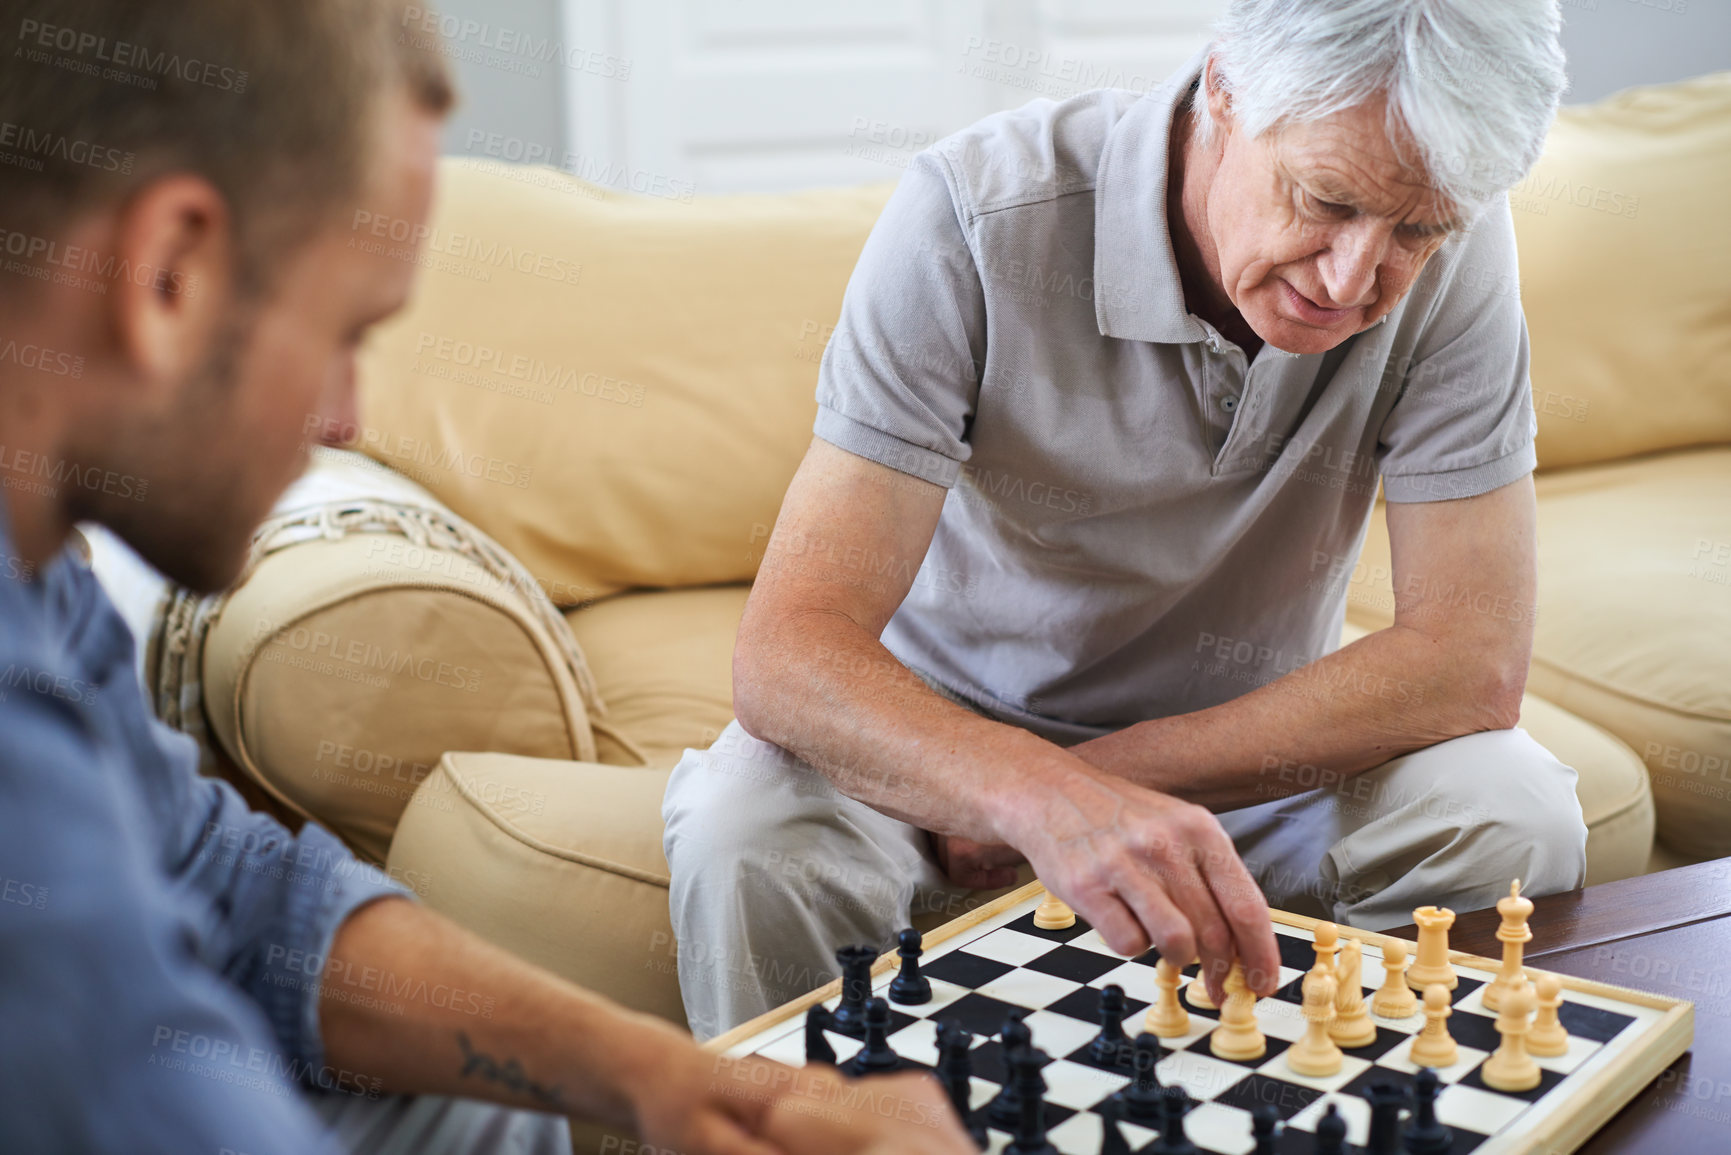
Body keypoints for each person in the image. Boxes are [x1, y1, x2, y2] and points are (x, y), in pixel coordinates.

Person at [0, 3, 972, 1153]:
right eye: (342, 332)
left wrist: (690, 1087)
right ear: (168, 271)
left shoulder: (41, 565)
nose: (347, 417)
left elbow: (227, 886)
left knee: (487, 1123)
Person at [665, 0, 1592, 1040]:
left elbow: (1466, 659)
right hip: (935, 779)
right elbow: (789, 654)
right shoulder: (973, 213)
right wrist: (1014, 794)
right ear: (1224, 91)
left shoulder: (1455, 245)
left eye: (1415, 233)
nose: (1352, 280)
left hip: (1245, 780)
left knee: (1511, 808)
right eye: (1324, 199)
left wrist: (1093, 789)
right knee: (742, 828)